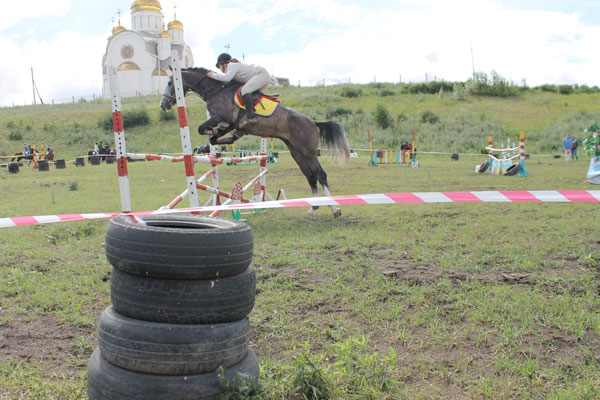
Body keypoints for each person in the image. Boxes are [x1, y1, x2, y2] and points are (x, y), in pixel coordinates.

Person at [207, 53, 272, 128]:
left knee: (245, 91)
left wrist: (212, 75)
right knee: (244, 95)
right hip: (262, 76)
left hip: (261, 75)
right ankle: (253, 115)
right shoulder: (233, 67)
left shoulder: (231, 65)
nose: (220, 69)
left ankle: (251, 117)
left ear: (222, 62)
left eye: (219, 66)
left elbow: (226, 78)